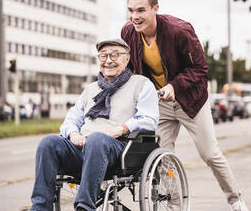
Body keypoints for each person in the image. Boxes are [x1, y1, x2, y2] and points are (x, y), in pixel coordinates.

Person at [121, 0, 249, 211]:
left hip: (191, 101)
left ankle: (235, 200)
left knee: (209, 153)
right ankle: (174, 207)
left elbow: (200, 69)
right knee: (161, 158)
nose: (134, 17)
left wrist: (174, 86)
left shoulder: (179, 31)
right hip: (160, 104)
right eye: (130, 10)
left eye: (140, 10)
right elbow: (129, 70)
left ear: (155, 9)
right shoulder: (128, 33)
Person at [30, 39, 159, 211]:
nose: (108, 60)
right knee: (48, 143)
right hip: (84, 146)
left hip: (120, 147)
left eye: (114, 55)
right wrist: (73, 134)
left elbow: (149, 119)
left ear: (127, 59)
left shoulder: (141, 84)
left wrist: (121, 128)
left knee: (97, 139)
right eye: (103, 56)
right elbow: (71, 119)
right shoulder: (90, 89)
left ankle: (84, 208)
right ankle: (40, 208)